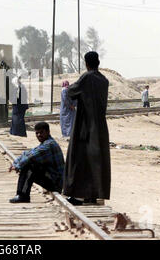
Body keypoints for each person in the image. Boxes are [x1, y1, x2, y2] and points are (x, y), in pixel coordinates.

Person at [63, 51, 111, 205]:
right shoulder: (103, 80)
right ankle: (95, 194)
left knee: (79, 158)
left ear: (86, 63)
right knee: (97, 161)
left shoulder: (87, 77)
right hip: (100, 127)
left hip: (85, 125)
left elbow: (71, 91)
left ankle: (78, 195)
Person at [9, 122, 65, 203]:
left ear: (48, 132)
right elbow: (27, 153)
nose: (39, 135)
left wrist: (18, 166)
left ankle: (23, 196)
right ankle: (22, 195)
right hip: (52, 178)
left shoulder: (49, 145)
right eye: (37, 133)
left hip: (56, 183)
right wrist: (15, 163)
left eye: (41, 132)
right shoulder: (46, 143)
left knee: (30, 166)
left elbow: (31, 157)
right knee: (29, 164)